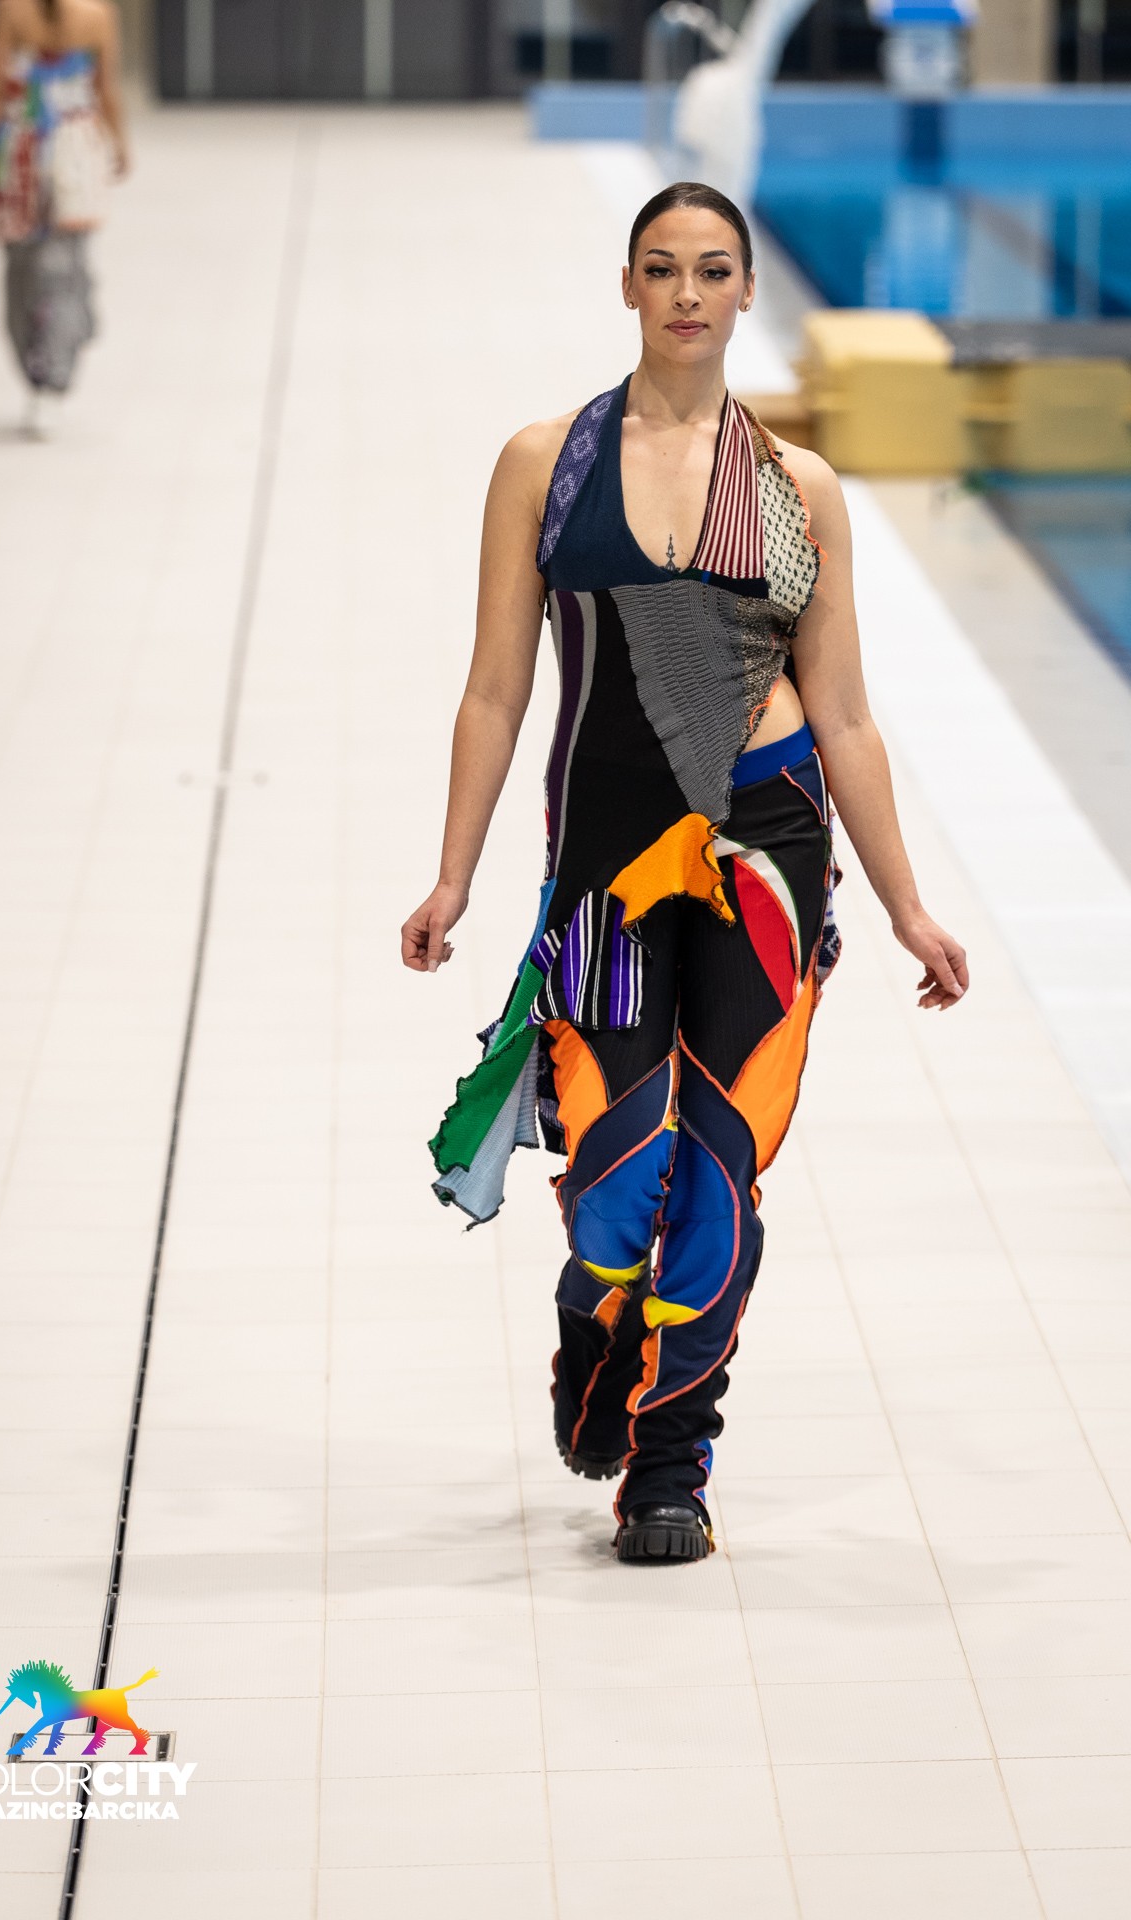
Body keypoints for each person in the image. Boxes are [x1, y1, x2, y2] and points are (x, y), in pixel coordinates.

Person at [402, 183, 969, 1566]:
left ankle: (670, 1464)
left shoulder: (796, 488)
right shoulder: (548, 464)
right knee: (618, 1165)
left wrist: (906, 906)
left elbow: (845, 716)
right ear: (627, 286)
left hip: (769, 851)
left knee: (718, 1164)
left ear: (746, 290)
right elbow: (494, 688)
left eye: (714, 271)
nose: (688, 295)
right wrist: (453, 875)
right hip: (605, 851)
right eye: (662, 269)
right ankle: (594, 1319)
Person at [0, 0, 129, 430]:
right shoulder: (97, 13)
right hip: (76, 152)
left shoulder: (8, 11)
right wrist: (120, 145)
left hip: (19, 153)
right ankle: (63, 353)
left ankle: (40, 372)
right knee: (66, 264)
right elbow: (106, 90)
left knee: (22, 271)